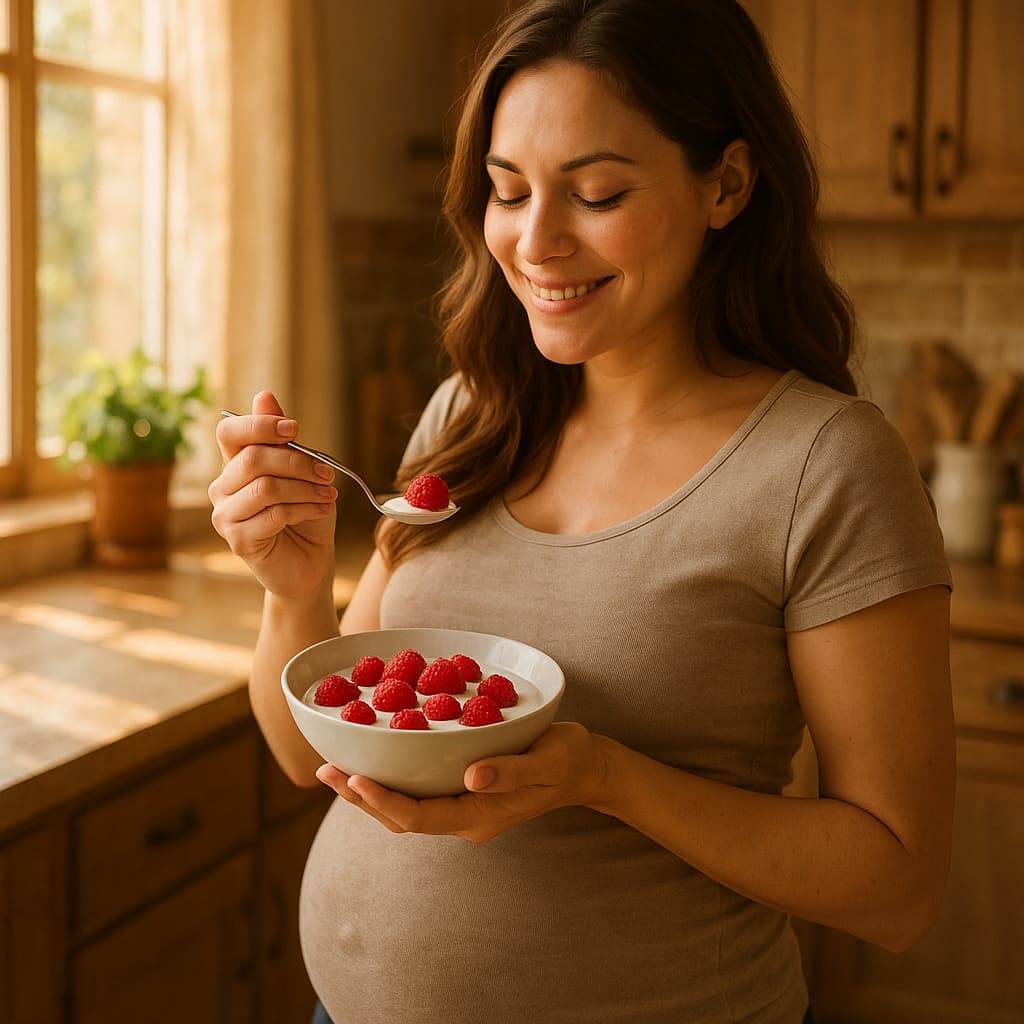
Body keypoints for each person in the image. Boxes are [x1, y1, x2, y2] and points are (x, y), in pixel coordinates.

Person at [209, 2, 956, 1021]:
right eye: (507, 191)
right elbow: (312, 757)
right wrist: (292, 597)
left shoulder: (823, 463)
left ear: (726, 184)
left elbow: (897, 887)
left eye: (596, 192)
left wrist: (605, 777)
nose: (536, 240)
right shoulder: (470, 416)